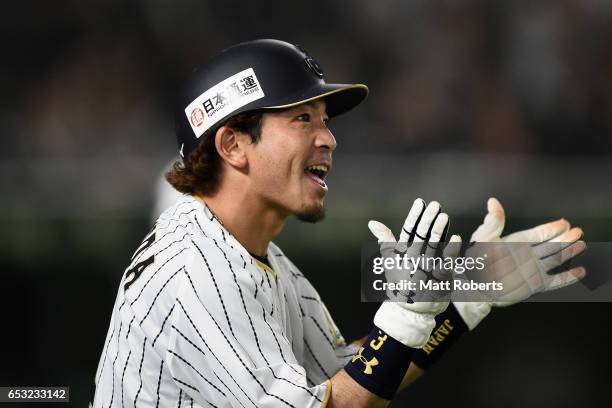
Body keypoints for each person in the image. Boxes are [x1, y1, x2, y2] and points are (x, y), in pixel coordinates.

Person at [92, 39, 586, 407]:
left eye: (324, 119)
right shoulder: (198, 272)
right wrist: (406, 319)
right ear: (232, 145)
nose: (328, 138)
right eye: (302, 119)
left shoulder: (250, 253)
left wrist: (463, 300)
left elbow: (347, 378)